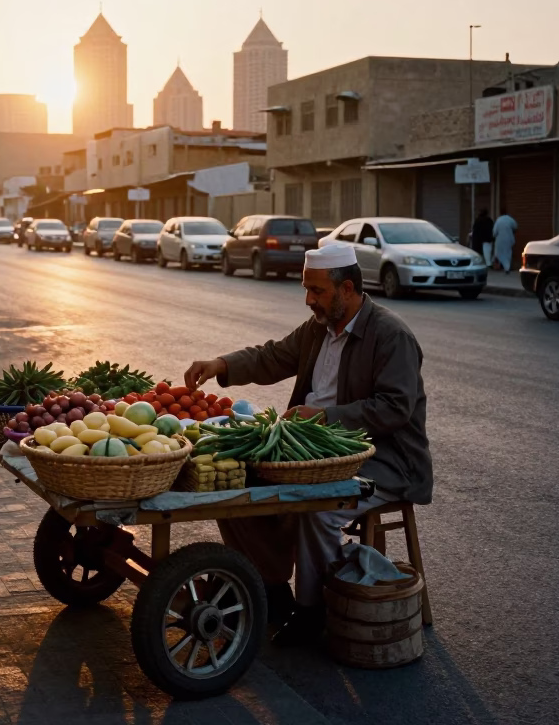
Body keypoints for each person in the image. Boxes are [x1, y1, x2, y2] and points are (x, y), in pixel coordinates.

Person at [184, 242, 432, 646]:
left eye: (316, 291)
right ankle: (270, 587)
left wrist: (321, 417)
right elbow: (272, 357)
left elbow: (394, 409)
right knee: (233, 482)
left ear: (347, 289)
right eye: (306, 289)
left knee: (318, 508)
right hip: (313, 447)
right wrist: (222, 365)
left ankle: (313, 611)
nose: (308, 300)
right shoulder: (318, 330)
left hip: (384, 459)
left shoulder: (391, 335)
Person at [493, 209, 519, 273]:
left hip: (500, 240)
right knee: (508, 253)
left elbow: (494, 232)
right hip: (509, 239)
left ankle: (504, 267)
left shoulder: (498, 220)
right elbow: (516, 227)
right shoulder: (510, 219)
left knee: (499, 253)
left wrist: (494, 236)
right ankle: (507, 266)